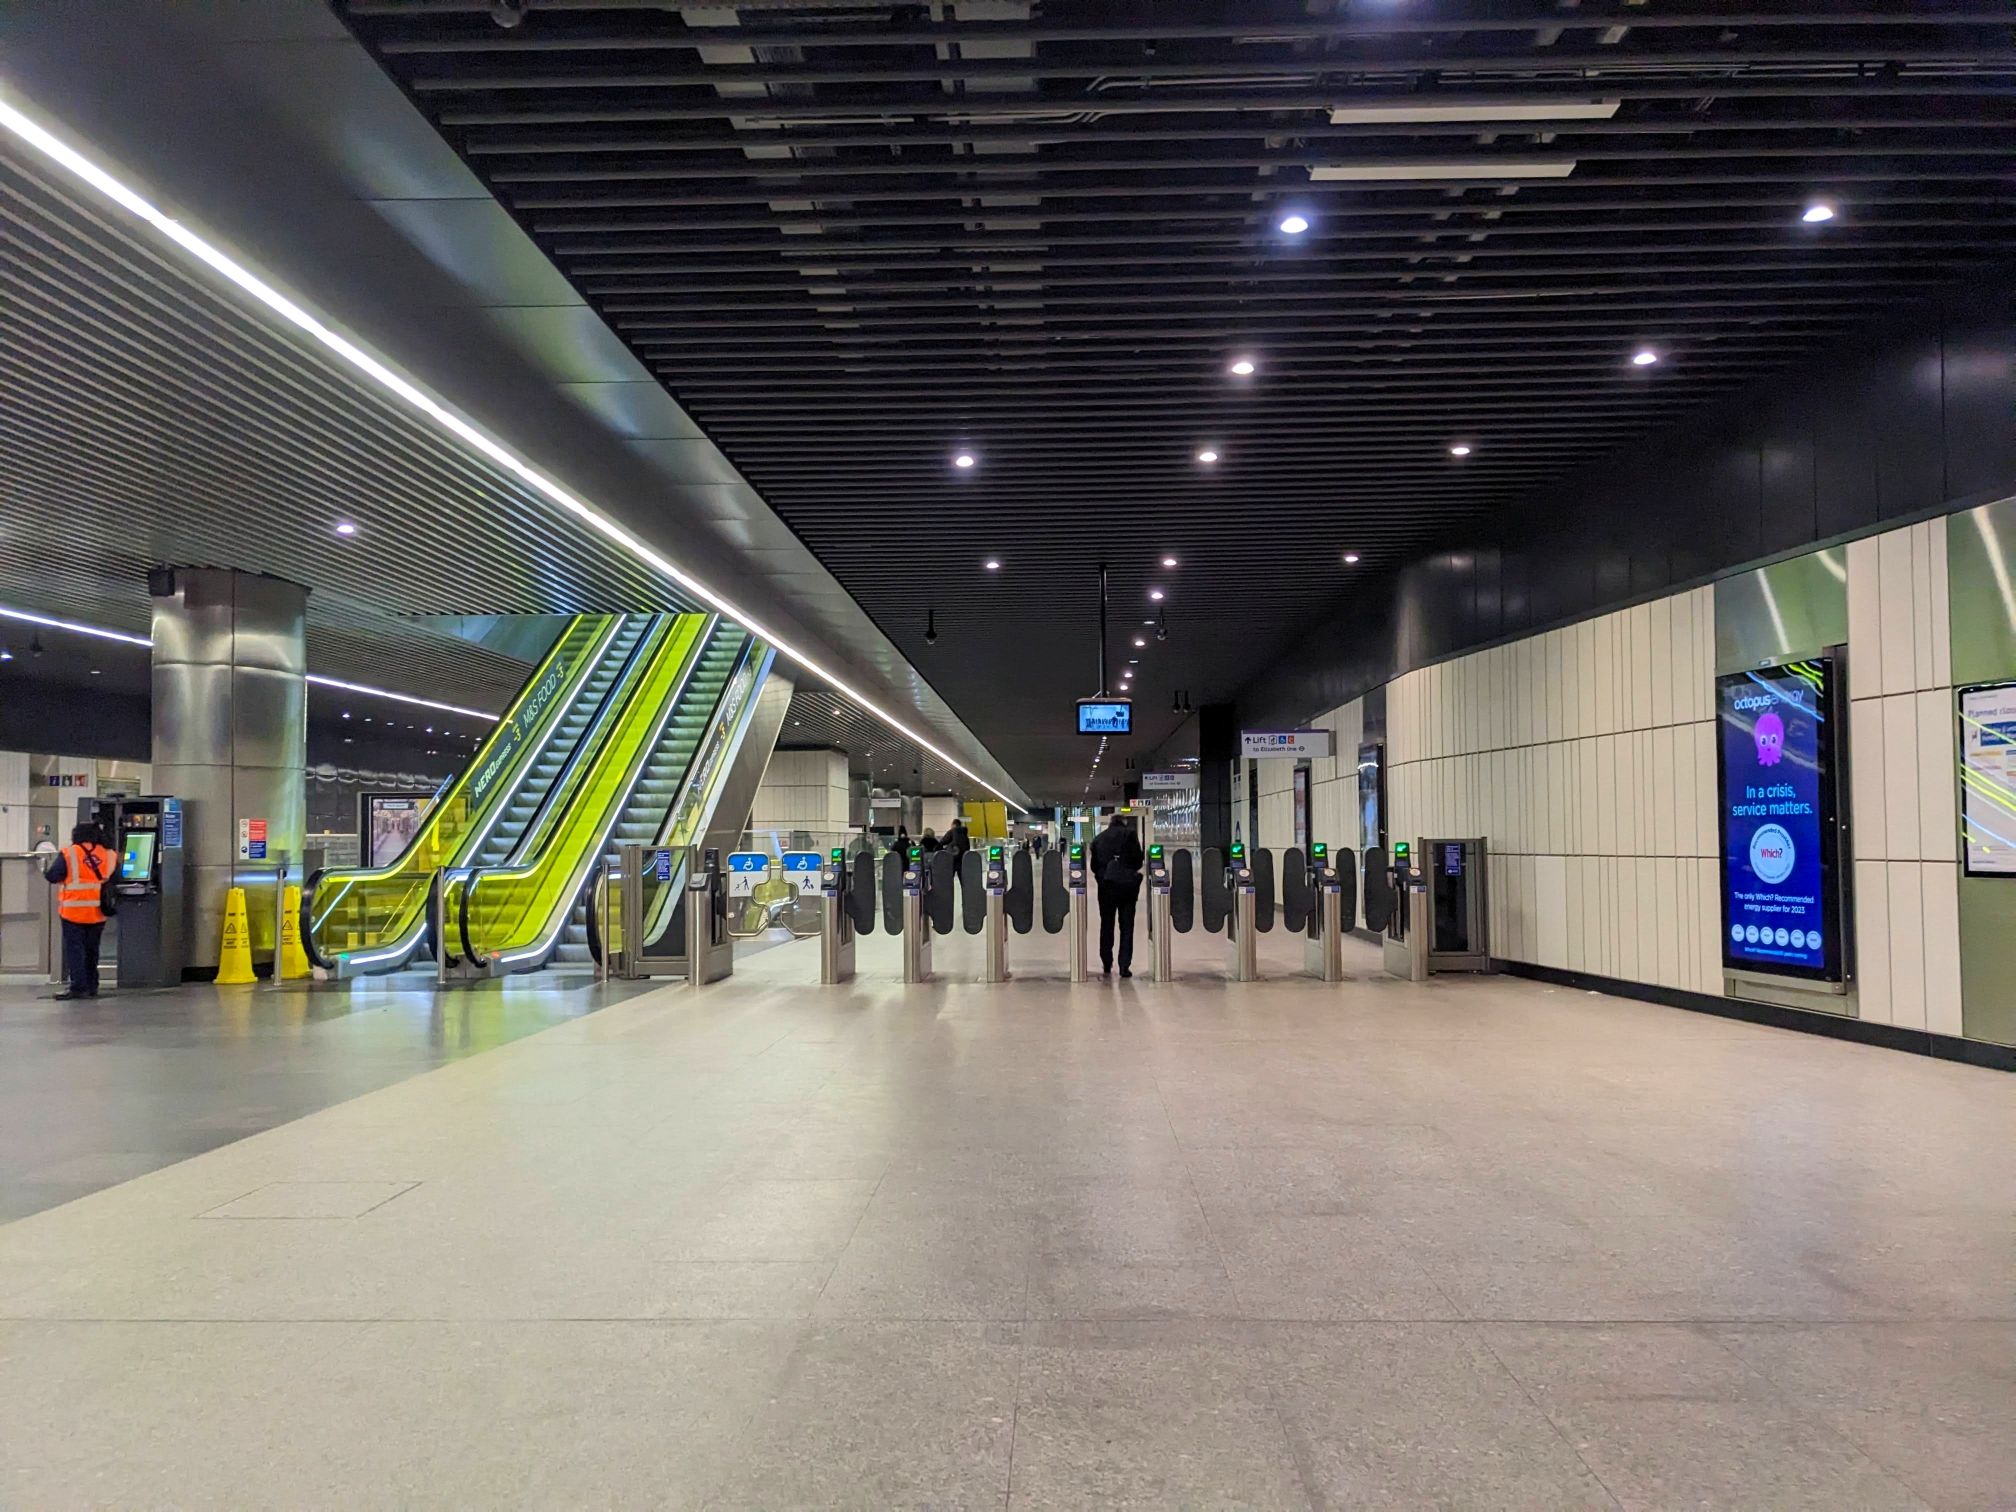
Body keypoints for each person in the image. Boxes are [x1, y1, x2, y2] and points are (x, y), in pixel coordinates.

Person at [45, 821, 116, 1000]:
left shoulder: (70, 853)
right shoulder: (109, 854)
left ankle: (78, 987)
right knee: (92, 950)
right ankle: (92, 986)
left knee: (75, 950)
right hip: (98, 912)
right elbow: (117, 877)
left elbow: (53, 876)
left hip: (73, 912)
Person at [1091, 813, 1144, 978]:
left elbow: (1094, 866)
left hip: (1106, 887)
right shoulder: (1130, 835)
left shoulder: (1099, 839)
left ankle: (1107, 963)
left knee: (1107, 924)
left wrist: (1103, 876)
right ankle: (1124, 966)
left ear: (1110, 823)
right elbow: (1138, 862)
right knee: (1127, 926)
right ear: (1124, 822)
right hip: (1127, 888)